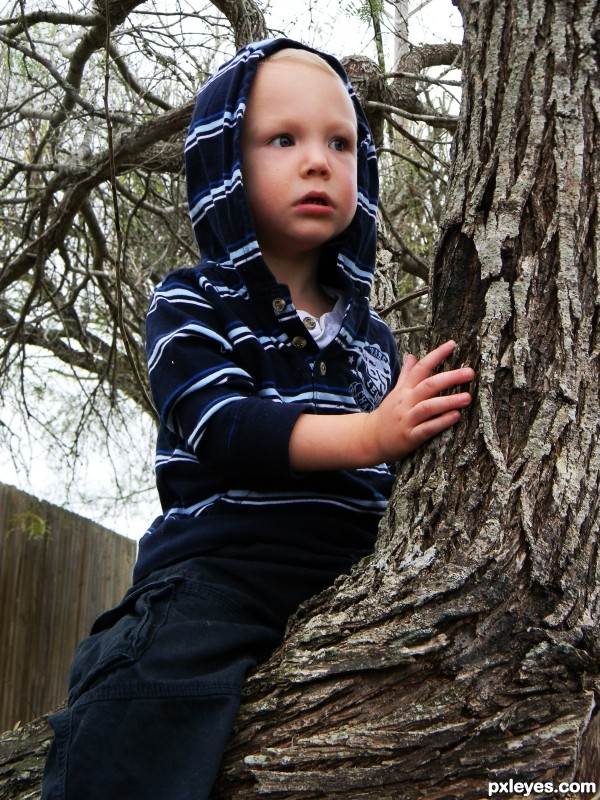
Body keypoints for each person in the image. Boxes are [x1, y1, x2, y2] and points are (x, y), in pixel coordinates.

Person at [41, 38, 474, 800]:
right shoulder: (191, 302)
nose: (318, 161)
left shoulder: (373, 339)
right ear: (224, 167)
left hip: (359, 573)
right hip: (225, 566)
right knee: (141, 687)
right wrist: (373, 435)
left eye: (341, 143)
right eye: (283, 139)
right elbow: (222, 424)